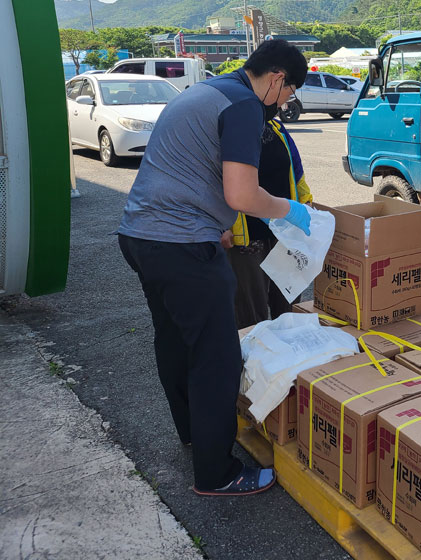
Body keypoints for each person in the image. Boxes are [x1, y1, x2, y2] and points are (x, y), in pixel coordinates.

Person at [117, 39, 311, 496]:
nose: (285, 104)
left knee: (175, 341)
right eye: (288, 94)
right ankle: (216, 472)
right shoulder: (244, 104)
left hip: (142, 235)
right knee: (217, 356)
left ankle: (192, 432)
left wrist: (214, 224)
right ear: (278, 78)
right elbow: (242, 195)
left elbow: (186, 168)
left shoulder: (209, 91)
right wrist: (290, 210)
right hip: (182, 246)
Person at [222, 115, 313, 329]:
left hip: (284, 231)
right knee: (251, 313)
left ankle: (289, 355)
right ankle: (253, 359)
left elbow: (295, 168)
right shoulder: (230, 130)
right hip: (247, 235)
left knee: (288, 302)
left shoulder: (277, 128)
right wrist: (220, 224)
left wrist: (306, 199)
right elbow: (215, 178)